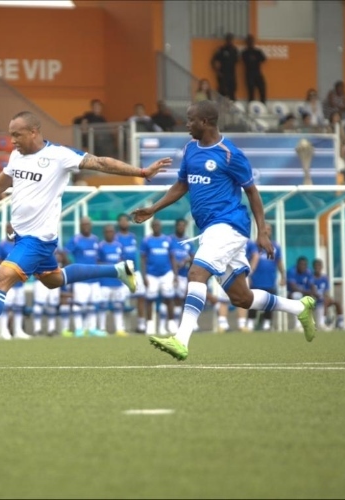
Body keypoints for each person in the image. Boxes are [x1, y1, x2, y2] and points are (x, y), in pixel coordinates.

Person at [0, 110, 169, 364]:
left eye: (17, 135)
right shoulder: (16, 156)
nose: (12, 141)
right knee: (53, 280)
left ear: (34, 132)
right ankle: (117, 270)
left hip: (38, 239)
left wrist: (141, 171)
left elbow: (101, 163)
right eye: (10, 135)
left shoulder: (60, 155)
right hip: (21, 237)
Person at [131, 100, 316, 361]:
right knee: (241, 298)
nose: (187, 124)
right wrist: (154, 208)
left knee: (196, 273)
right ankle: (299, 307)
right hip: (211, 229)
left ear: (205, 122)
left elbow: (252, 192)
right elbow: (181, 185)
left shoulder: (230, 154)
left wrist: (262, 231)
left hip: (229, 225)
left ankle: (181, 340)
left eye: (191, 120)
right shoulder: (191, 149)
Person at [66, 217, 103, 337]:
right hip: (81, 279)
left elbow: (98, 258)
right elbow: (64, 253)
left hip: (94, 278)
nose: (86, 226)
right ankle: (79, 329)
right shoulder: (75, 239)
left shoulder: (95, 239)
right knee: (78, 304)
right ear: (80, 226)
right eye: (84, 224)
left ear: (91, 225)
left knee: (92, 304)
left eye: (88, 224)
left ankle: (91, 328)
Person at [244, 223, 284, 331]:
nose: (266, 231)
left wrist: (283, 276)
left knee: (269, 302)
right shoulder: (253, 246)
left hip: (270, 280)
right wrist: (248, 276)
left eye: (269, 229)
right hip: (255, 280)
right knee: (253, 301)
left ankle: (267, 323)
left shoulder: (275, 246)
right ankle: (250, 322)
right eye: (264, 228)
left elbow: (279, 262)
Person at [141, 219, 177, 335]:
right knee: (150, 299)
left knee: (169, 298)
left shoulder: (167, 240)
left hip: (166, 273)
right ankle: (150, 325)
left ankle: (171, 323)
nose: (156, 226)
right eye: (154, 225)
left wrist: (175, 275)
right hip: (151, 274)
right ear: (151, 227)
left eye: (158, 225)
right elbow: (143, 259)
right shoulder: (146, 240)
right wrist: (144, 275)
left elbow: (172, 257)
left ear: (161, 226)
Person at [0, 224, 29, 340]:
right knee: (6, 307)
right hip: (7, 281)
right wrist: (9, 266)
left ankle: (18, 330)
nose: (11, 230)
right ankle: (3, 331)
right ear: (6, 229)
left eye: (13, 228)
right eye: (9, 228)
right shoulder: (2, 244)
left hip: (19, 281)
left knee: (18, 306)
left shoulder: (21, 244)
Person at [116, 214, 146, 333]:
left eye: (126, 221)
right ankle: (121, 326)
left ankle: (141, 325)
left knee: (141, 296)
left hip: (135, 271)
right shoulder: (116, 238)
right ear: (119, 223)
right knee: (121, 300)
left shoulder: (133, 237)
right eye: (122, 221)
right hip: (123, 271)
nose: (124, 223)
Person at [97, 224, 127, 336]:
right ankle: (102, 329)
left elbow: (123, 261)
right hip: (105, 282)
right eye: (107, 231)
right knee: (103, 306)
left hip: (117, 281)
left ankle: (119, 329)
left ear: (114, 233)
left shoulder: (119, 246)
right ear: (104, 233)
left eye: (111, 231)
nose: (110, 233)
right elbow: (97, 262)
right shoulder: (100, 246)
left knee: (118, 306)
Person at [170, 219, 195, 329]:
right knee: (173, 298)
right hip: (171, 274)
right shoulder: (170, 240)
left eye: (183, 225)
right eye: (179, 225)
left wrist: (187, 260)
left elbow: (193, 257)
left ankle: (188, 323)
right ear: (176, 226)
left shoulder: (188, 242)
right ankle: (174, 323)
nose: (181, 227)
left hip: (184, 274)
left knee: (185, 298)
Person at [312, 258, 344, 330]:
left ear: (322, 267)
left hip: (322, 299)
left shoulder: (324, 278)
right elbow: (312, 291)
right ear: (313, 267)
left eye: (319, 266)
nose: (317, 267)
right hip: (314, 300)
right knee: (325, 300)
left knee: (336, 302)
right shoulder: (311, 278)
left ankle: (340, 321)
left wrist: (327, 297)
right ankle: (323, 321)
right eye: (316, 266)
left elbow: (326, 292)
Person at [211, 34, 238, 101]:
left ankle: (232, 104)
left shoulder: (234, 50)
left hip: (232, 74)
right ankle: (220, 105)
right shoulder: (221, 49)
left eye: (231, 39)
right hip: (223, 74)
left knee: (232, 91)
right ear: (226, 40)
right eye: (228, 39)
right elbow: (213, 60)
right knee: (222, 91)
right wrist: (217, 71)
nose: (230, 41)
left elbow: (237, 61)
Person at [241, 34, 266, 104]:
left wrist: (255, 59)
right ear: (247, 42)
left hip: (257, 73)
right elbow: (245, 60)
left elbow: (263, 59)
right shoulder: (245, 52)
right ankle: (251, 105)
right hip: (249, 74)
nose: (250, 42)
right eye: (249, 41)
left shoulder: (257, 51)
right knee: (251, 91)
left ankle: (263, 104)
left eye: (252, 41)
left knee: (262, 89)